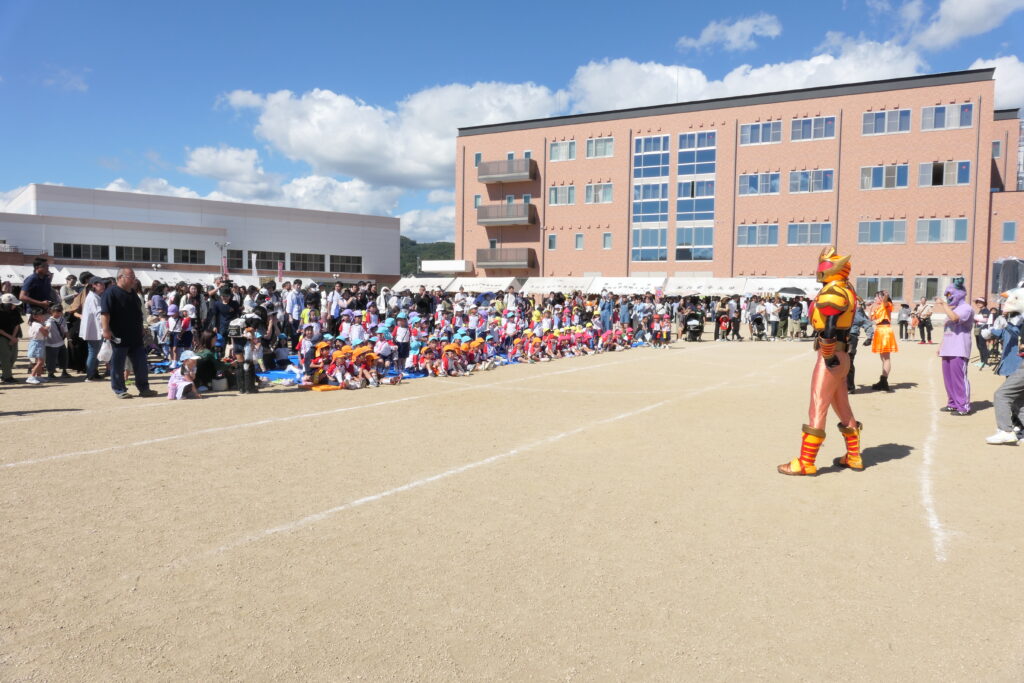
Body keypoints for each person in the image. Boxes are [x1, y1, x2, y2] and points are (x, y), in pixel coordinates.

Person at [778, 247, 862, 476]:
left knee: (817, 406)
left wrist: (826, 354)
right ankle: (853, 456)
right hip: (843, 354)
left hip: (832, 354)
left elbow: (831, 325)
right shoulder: (846, 289)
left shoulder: (833, 291)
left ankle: (806, 462)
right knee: (843, 407)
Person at [100, 267, 158, 398]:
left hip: (136, 336)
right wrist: (106, 329)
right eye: (131, 277)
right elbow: (105, 313)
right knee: (118, 364)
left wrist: (142, 327)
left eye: (134, 277)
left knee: (141, 363)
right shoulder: (111, 292)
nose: (134, 280)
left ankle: (144, 388)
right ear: (120, 278)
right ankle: (119, 389)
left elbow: (138, 313)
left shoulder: (133, 294)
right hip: (118, 336)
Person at [984, 287, 1024, 444]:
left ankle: (1006, 429)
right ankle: (1016, 427)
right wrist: (992, 331)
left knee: (1002, 395)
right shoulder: (1013, 319)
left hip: (1017, 362)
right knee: (1018, 400)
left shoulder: (1019, 320)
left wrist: (1007, 326)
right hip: (1012, 362)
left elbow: (1017, 337)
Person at [934, 279, 974, 416]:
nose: (948, 297)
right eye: (946, 295)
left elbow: (955, 319)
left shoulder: (966, 308)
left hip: (959, 349)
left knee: (958, 379)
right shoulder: (954, 309)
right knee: (948, 379)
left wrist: (944, 305)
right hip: (948, 348)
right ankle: (952, 404)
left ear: (959, 294)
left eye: (950, 294)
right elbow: (948, 330)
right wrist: (941, 346)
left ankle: (963, 407)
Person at [868, 291, 898, 391]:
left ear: (881, 298)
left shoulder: (886, 305)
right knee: (883, 358)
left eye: (876, 297)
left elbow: (885, 301)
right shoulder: (878, 307)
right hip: (880, 331)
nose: (875, 299)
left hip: (885, 331)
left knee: (886, 358)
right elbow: (870, 319)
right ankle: (883, 379)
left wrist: (886, 295)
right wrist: (870, 307)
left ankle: (884, 381)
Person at [78, 277, 107, 381]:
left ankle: (94, 373)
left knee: (95, 352)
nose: (103, 286)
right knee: (93, 352)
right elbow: (99, 314)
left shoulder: (95, 296)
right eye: (101, 284)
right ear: (94, 285)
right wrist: (107, 322)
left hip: (94, 329)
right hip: (93, 329)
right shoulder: (93, 297)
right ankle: (90, 374)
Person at [0, 293, 23, 382]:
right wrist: (10, 337)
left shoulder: (15, 311)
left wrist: (13, 337)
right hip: (2, 336)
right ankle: (7, 376)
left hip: (13, 335)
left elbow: (17, 325)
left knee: (14, 356)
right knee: (5, 356)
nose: (15, 306)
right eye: (13, 304)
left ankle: (5, 372)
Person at [44, 304, 71, 379]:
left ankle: (64, 371)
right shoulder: (49, 321)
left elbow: (66, 330)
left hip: (61, 342)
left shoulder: (63, 319)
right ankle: (50, 373)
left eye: (60, 311)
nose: (58, 313)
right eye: (56, 311)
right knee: (51, 359)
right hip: (51, 344)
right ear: (52, 312)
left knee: (64, 357)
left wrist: (69, 339)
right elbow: (46, 328)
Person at [25, 307, 49, 385]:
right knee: (40, 362)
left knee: (38, 361)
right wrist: (47, 327)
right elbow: (45, 333)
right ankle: (31, 376)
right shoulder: (37, 324)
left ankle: (38, 376)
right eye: (40, 315)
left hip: (38, 343)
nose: (42, 316)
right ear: (35, 316)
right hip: (37, 343)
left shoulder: (36, 324)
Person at [972, 298, 992, 369]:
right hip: (978, 329)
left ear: (984, 303)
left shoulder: (985, 310)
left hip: (982, 330)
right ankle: (982, 361)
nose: (978, 303)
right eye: (977, 302)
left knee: (983, 346)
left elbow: (985, 320)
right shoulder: (981, 310)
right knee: (979, 346)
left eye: (980, 302)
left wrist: (974, 317)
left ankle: (985, 362)